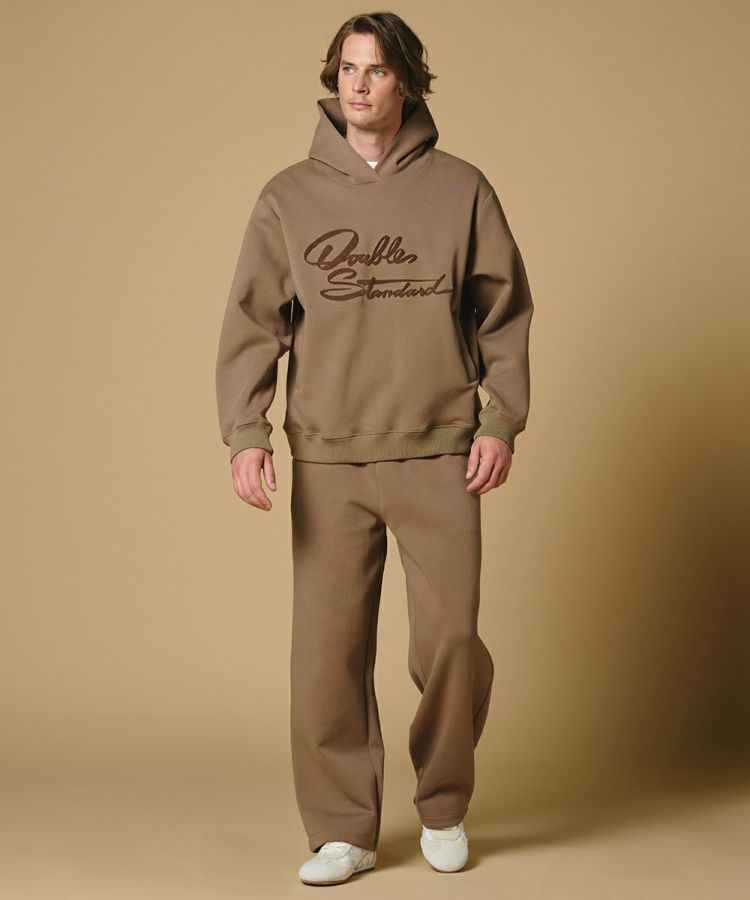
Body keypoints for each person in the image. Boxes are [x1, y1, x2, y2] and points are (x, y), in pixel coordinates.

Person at [215, 11, 534, 886]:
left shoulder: (462, 189)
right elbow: (252, 323)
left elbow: (504, 313)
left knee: (452, 643)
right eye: (348, 69)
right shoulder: (288, 197)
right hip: (328, 459)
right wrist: (247, 432)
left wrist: (500, 421)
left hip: (441, 453)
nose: (359, 84)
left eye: (378, 69)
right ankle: (342, 831)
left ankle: (444, 805)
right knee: (327, 657)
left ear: (407, 83)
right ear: (335, 79)